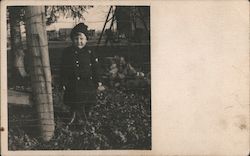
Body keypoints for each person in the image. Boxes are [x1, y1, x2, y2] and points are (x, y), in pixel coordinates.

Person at [60, 23, 104, 125]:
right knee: (73, 100)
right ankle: (73, 115)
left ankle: (86, 115)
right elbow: (63, 69)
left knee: (88, 100)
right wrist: (63, 82)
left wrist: (98, 80)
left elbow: (95, 68)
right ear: (72, 39)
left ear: (86, 39)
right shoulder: (67, 52)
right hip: (73, 82)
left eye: (81, 39)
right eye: (76, 39)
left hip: (87, 82)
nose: (79, 41)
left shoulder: (90, 52)